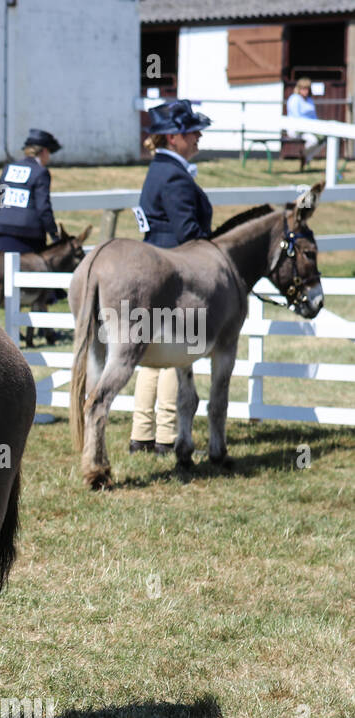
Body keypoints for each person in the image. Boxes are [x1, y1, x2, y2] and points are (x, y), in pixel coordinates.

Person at [131, 98, 213, 455]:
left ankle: (142, 433)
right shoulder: (175, 176)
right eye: (192, 132)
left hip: (154, 266)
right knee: (175, 355)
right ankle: (166, 436)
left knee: (148, 357)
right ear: (174, 138)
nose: (198, 138)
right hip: (177, 274)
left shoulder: (159, 169)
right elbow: (189, 234)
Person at [0, 128, 60, 256]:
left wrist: (9, 212)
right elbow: (43, 208)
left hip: (4, 229)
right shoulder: (41, 172)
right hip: (29, 233)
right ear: (44, 151)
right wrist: (54, 233)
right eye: (49, 152)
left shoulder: (10, 168)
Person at [285, 77, 326, 171]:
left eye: (307, 88)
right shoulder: (294, 99)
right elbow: (296, 117)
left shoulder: (309, 100)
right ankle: (305, 156)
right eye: (303, 88)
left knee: (323, 140)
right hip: (297, 129)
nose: (306, 91)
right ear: (299, 89)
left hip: (310, 128)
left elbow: (314, 117)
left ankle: (306, 158)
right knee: (314, 140)